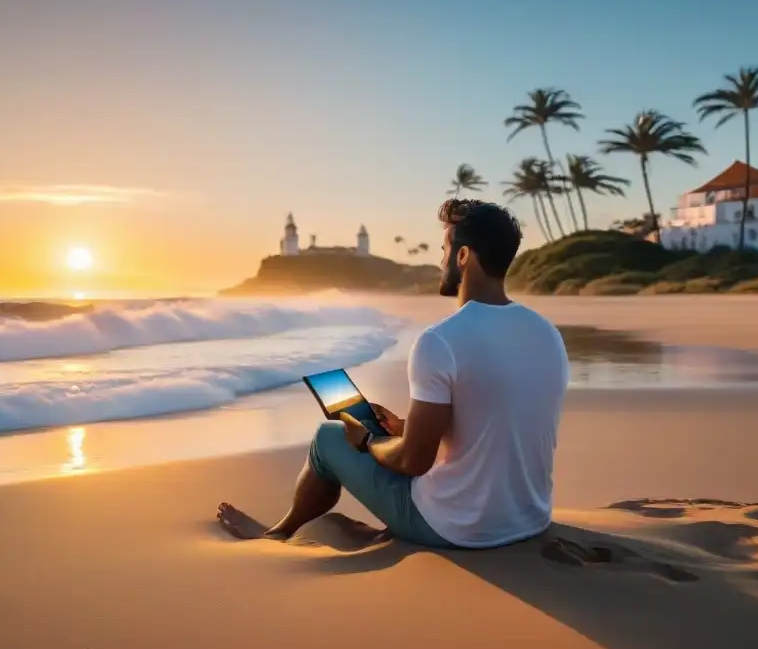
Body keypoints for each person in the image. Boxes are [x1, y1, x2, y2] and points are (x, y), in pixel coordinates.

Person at [217, 198, 569, 548]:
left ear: (463, 257)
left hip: (460, 529)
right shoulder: (546, 333)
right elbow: (492, 423)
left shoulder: (441, 341)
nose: (441, 260)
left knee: (328, 437)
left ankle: (276, 534)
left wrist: (370, 441)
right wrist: (407, 430)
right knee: (387, 436)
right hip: (529, 519)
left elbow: (413, 461)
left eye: (445, 249)